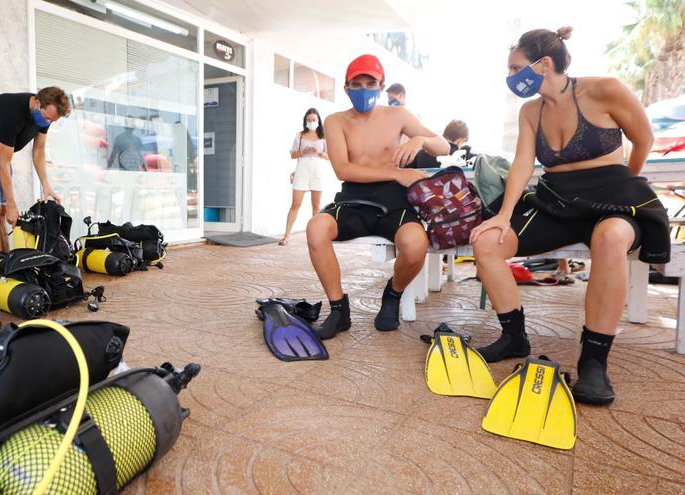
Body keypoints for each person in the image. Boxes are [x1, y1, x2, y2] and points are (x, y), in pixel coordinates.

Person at [469, 26, 668, 405]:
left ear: (544, 64)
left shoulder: (605, 89)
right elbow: (523, 164)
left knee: (611, 239)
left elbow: (643, 139)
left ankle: (594, 361)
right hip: (556, 199)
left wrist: (628, 186)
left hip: (613, 197)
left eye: (515, 69)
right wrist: (504, 215)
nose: (511, 78)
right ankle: (514, 336)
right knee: (487, 242)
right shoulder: (531, 111)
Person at [306, 54, 450, 339]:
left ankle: (392, 295)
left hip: (394, 203)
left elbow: (444, 145)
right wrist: (396, 173)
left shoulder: (398, 116)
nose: (363, 90)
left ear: (381, 85)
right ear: (346, 88)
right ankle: (339, 310)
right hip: (353, 201)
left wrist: (420, 140)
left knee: (415, 243)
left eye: (370, 83)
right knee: (315, 228)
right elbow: (342, 169)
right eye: (356, 84)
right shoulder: (336, 122)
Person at [0, 87, 70, 256]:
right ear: (37, 102)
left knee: (3, 211)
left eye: (52, 121)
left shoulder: (43, 118)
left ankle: (7, 262)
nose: (48, 123)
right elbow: (4, 164)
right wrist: (12, 204)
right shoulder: (12, 112)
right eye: (47, 118)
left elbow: (38, 151)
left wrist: (46, 185)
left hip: (0, 154)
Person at [280, 108, 330, 246]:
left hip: (317, 172)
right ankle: (286, 236)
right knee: (295, 204)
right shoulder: (299, 136)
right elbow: (292, 154)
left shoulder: (324, 137)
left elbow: (330, 157)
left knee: (316, 206)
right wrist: (302, 151)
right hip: (302, 171)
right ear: (305, 121)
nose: (311, 122)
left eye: (314, 120)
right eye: (309, 120)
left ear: (318, 120)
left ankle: (315, 238)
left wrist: (319, 152)